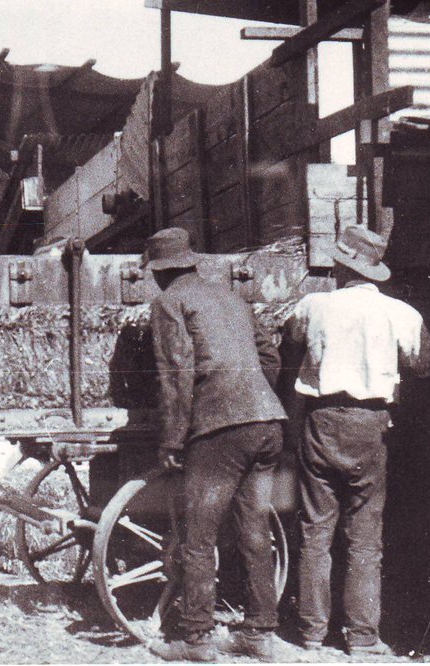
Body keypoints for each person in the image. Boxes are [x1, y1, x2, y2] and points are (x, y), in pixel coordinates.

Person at [285, 225, 430, 656]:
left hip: (321, 420)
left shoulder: (313, 305)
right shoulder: (402, 313)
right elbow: (425, 364)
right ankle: (363, 637)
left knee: (316, 532)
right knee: (365, 538)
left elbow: (290, 341)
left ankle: (312, 634)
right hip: (371, 425)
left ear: (339, 264)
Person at [144, 228, 288, 662]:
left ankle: (197, 640)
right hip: (268, 423)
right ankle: (259, 635)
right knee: (255, 530)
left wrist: (172, 437)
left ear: (160, 271)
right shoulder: (232, 298)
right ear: (190, 262)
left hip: (219, 429)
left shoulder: (169, 302)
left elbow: (176, 373)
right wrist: (255, 396)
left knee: (198, 536)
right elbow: (270, 357)